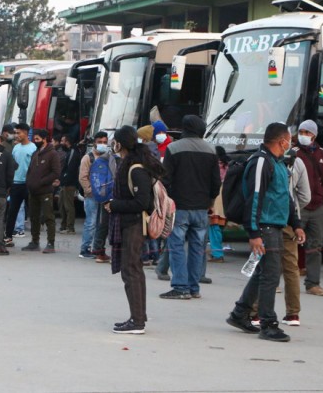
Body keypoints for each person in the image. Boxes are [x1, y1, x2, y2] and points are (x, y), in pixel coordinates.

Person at [226, 122, 306, 343]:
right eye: (289, 139)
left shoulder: (278, 163)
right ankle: (268, 323)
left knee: (263, 273)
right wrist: (254, 233)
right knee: (271, 274)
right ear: (282, 141)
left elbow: (285, 197)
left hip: (275, 225)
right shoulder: (261, 162)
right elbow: (254, 199)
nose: (291, 143)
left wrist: (296, 223)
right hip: (265, 226)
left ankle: (240, 313)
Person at [105, 126, 165, 334]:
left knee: (132, 271)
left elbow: (142, 202)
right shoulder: (130, 164)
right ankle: (138, 317)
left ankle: (137, 321)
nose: (113, 144)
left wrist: (114, 205)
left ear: (120, 143)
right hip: (128, 224)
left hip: (133, 225)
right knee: (133, 271)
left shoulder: (135, 168)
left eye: (115, 141)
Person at [160, 115, 220, 300]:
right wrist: (209, 201)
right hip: (201, 208)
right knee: (197, 247)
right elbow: (216, 183)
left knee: (176, 245)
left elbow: (166, 179)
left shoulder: (173, 148)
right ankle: (194, 288)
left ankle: (180, 287)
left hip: (180, 207)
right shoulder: (211, 149)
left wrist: (167, 200)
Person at [294, 119, 323, 296]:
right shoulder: (293, 153)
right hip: (299, 207)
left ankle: (313, 284)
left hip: (318, 207)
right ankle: (275, 282)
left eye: (307, 133)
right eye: (301, 132)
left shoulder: (322, 154)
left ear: (314, 135)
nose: (304, 135)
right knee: (288, 245)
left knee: (315, 247)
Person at [23, 129, 62, 254]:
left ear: (45, 139)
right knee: (34, 217)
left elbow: (56, 172)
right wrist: (29, 182)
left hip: (45, 191)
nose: (35, 141)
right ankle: (35, 241)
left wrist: (42, 181)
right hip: (33, 191)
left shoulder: (53, 154)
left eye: (38, 139)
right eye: (35, 139)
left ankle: (50, 243)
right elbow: (30, 170)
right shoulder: (36, 153)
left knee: (48, 216)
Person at [79, 132, 111, 260]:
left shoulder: (109, 157)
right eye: (100, 142)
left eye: (105, 142)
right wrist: (90, 191)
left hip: (105, 195)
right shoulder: (88, 158)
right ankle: (85, 248)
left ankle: (97, 249)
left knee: (101, 223)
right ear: (94, 143)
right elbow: (83, 177)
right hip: (92, 196)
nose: (102, 144)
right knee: (91, 222)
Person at [5, 123, 36, 247]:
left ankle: (35, 239)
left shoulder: (33, 148)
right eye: (16, 133)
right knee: (12, 211)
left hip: (28, 184)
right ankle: (8, 237)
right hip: (15, 184)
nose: (16, 135)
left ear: (26, 133)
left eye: (19, 133)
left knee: (33, 213)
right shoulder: (16, 148)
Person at [58, 134, 80, 235]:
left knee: (68, 206)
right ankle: (63, 225)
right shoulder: (69, 152)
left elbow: (70, 169)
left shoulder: (73, 152)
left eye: (62, 141)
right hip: (65, 183)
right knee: (61, 204)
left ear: (67, 142)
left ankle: (70, 227)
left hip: (69, 183)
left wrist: (65, 181)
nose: (61, 143)